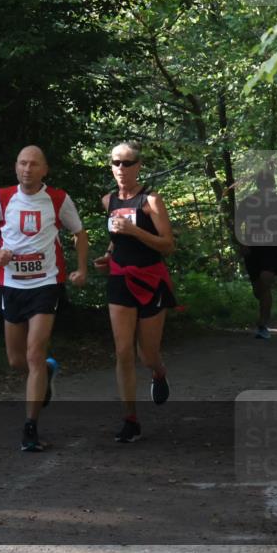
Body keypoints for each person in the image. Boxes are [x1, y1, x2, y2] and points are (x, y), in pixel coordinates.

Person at [0, 145, 88, 452]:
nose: (27, 169)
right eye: (22, 163)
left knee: (34, 354)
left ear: (44, 169)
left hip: (46, 283)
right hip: (11, 285)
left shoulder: (58, 199)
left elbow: (80, 233)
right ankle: (47, 372)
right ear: (16, 167)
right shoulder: (2, 197)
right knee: (16, 360)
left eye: (34, 164)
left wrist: (81, 269)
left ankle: (30, 428)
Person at [93, 141, 175, 444]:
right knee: (123, 351)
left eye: (127, 163)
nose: (121, 169)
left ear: (139, 166)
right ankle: (130, 419)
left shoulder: (151, 201)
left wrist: (136, 231)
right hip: (120, 281)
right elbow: (116, 240)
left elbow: (168, 244)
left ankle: (159, 372)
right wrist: (107, 256)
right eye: (116, 163)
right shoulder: (108, 200)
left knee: (146, 354)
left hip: (151, 280)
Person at [236, 169, 277, 340]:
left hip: (272, 249)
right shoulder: (247, 203)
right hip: (252, 250)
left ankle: (262, 324)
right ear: (258, 185)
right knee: (258, 290)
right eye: (262, 185)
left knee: (265, 279)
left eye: (268, 185)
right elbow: (238, 225)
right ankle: (264, 311)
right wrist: (242, 244)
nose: (265, 188)